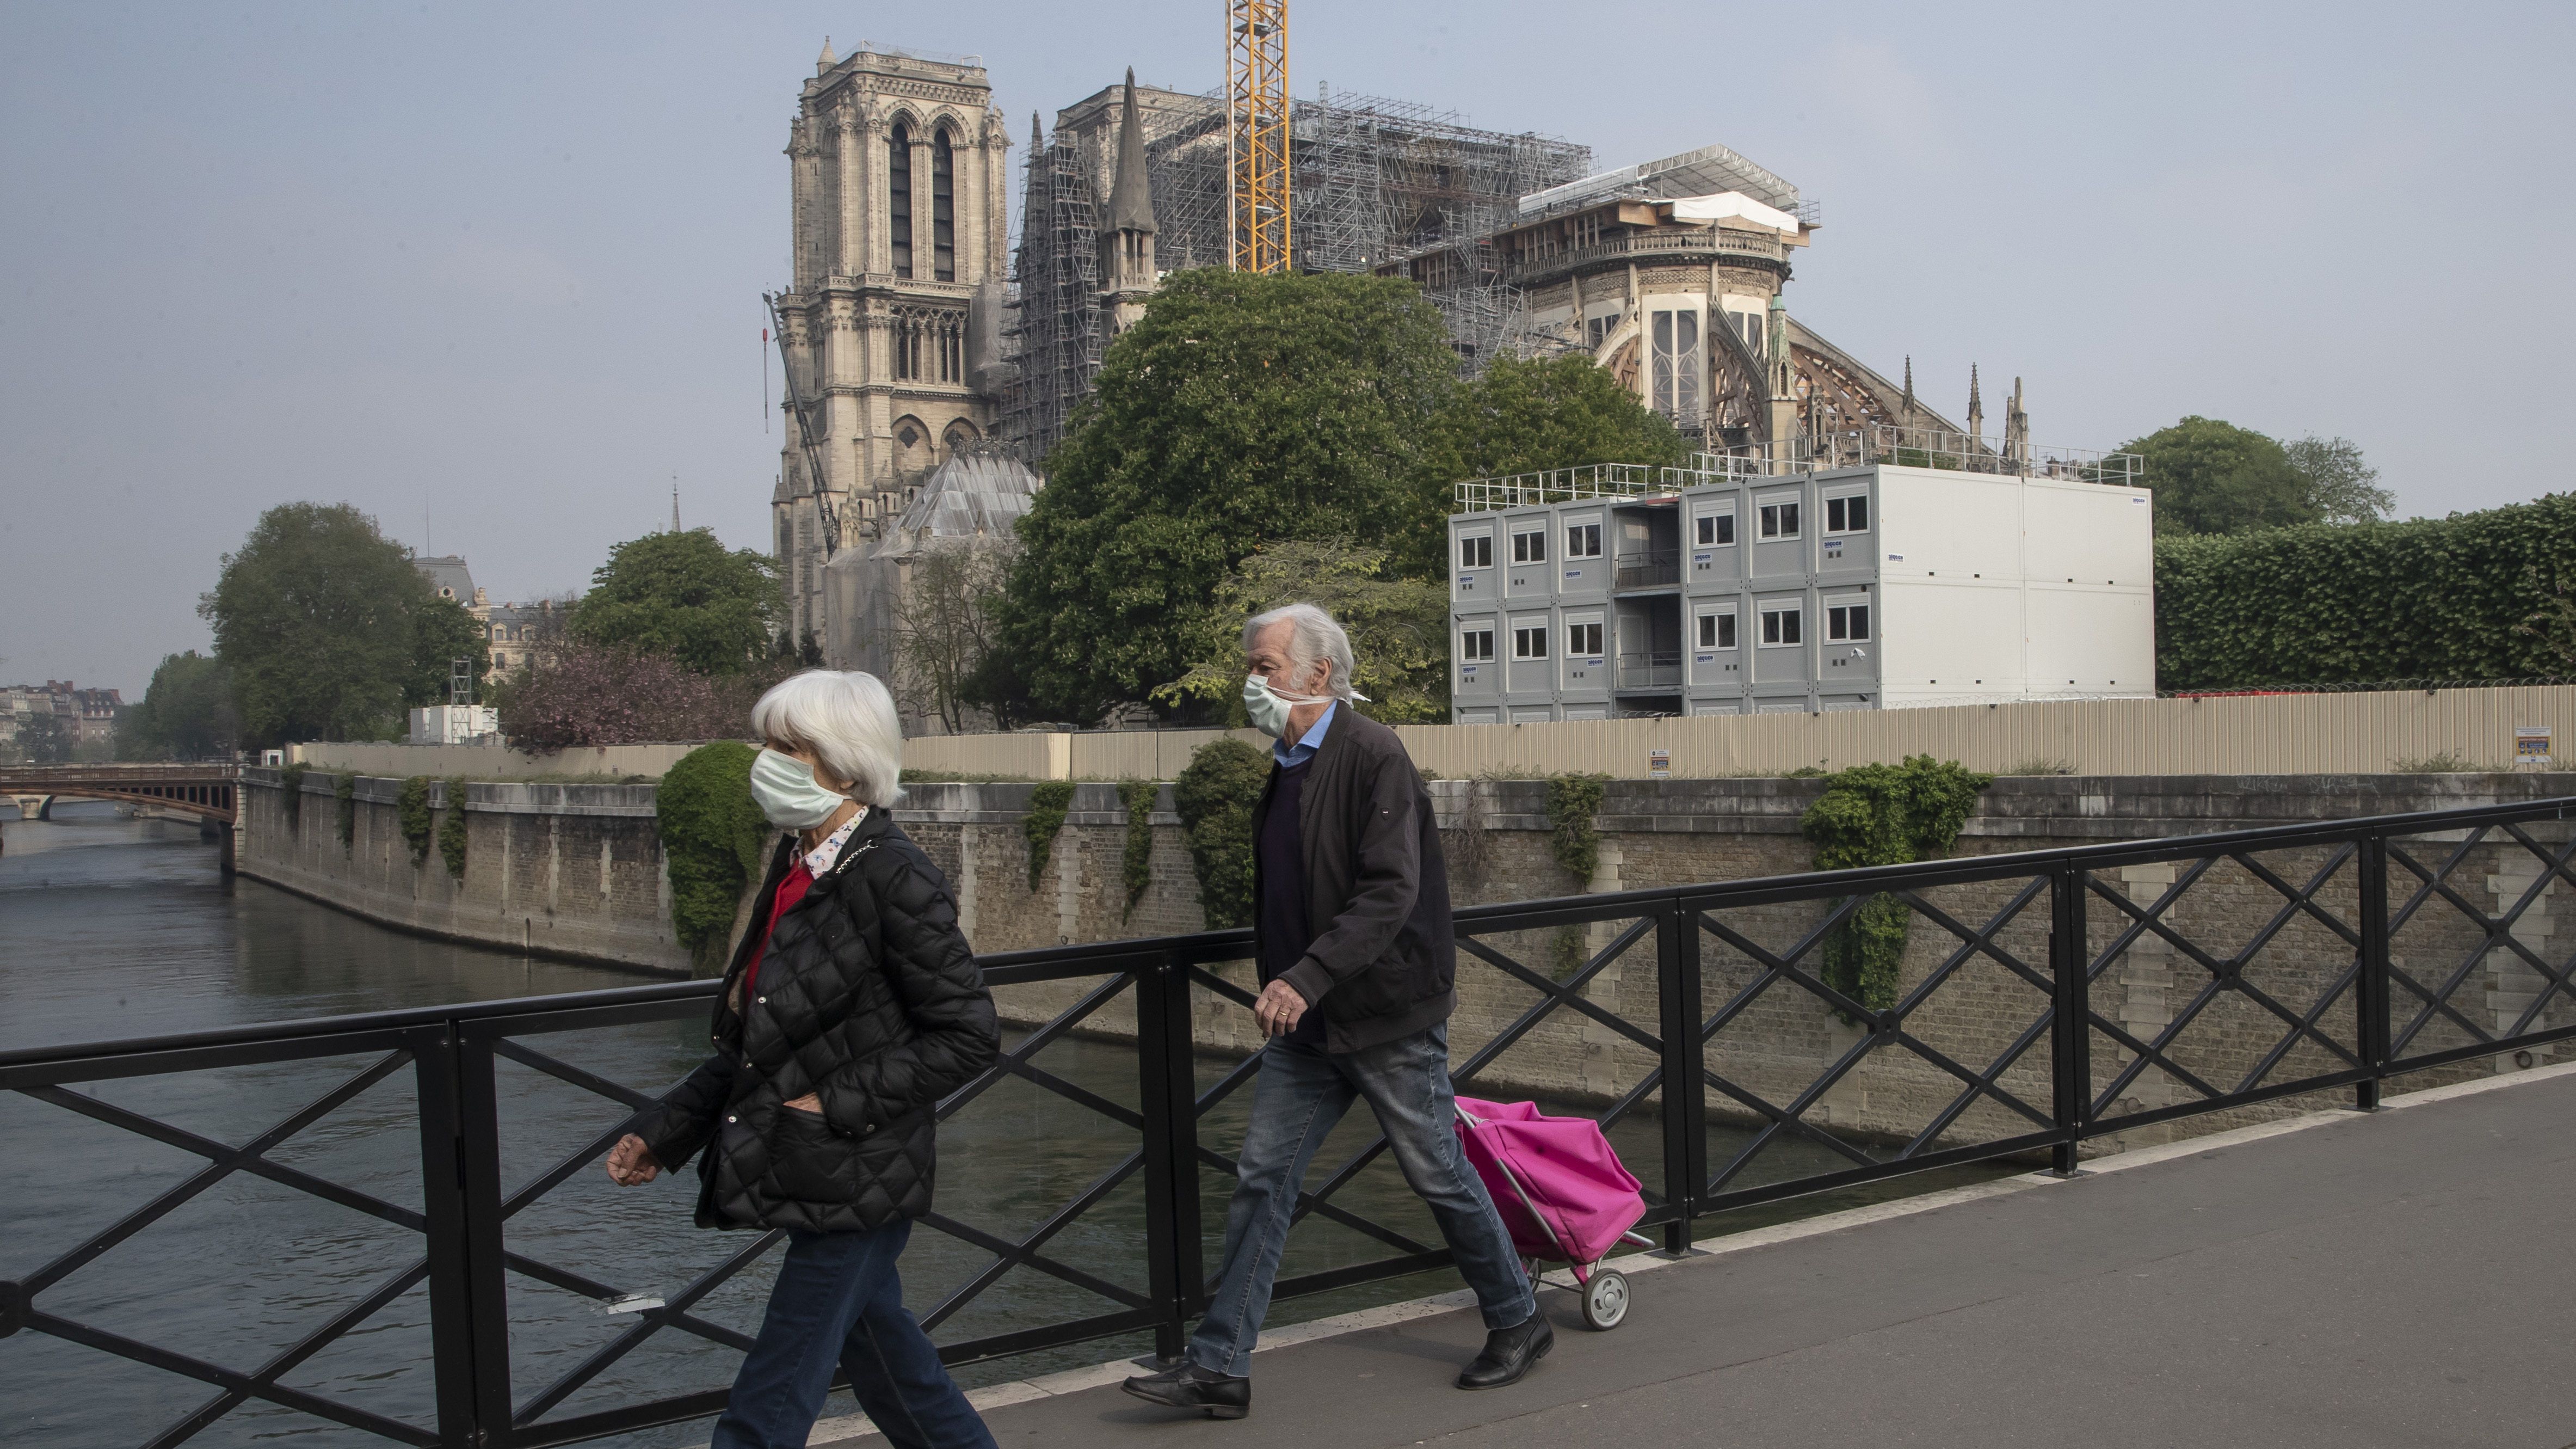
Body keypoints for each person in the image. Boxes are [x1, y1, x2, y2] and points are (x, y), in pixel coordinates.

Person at [1124, 603, 1549, 1421]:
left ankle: (1519, 1318)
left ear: (1317, 674)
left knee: (1437, 1173)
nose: (1251, 680)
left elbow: (1391, 889)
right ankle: (1219, 1368)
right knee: (1261, 1180)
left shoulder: (1371, 753)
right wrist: (1292, 981)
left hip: (1383, 1012)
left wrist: (1302, 976)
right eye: (1250, 665)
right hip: (1310, 1021)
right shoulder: (1288, 759)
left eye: (1264, 665)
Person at [605, 670, 1001, 1449]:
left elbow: (967, 1032)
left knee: (771, 1394)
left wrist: (832, 1104)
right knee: (890, 1364)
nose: (767, 758)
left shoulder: (892, 875)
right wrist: (667, 1129)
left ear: (847, 764)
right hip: (818, 1169)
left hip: (858, 1172)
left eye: (790, 746)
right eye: (770, 741)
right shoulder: (797, 866)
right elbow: (759, 1040)